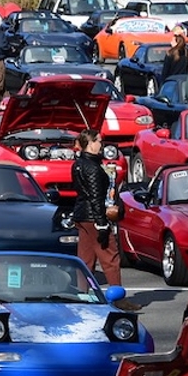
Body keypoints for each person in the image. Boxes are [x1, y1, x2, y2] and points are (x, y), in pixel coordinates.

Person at [71, 129, 137, 309]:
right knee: (110, 257)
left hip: (82, 216)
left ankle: (82, 296)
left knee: (85, 258)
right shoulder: (92, 167)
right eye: (99, 141)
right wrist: (101, 224)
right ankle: (117, 298)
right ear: (90, 143)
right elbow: (95, 198)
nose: (101, 144)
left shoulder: (78, 164)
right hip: (94, 217)